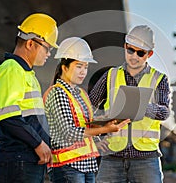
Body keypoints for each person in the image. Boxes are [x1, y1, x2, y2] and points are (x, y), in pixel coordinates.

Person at [89, 25, 171, 183]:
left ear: (149, 54)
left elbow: (164, 112)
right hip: (112, 158)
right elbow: (87, 107)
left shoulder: (159, 79)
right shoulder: (110, 76)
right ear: (124, 46)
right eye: (130, 50)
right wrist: (96, 139)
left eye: (140, 53)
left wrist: (141, 107)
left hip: (146, 159)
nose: (134, 56)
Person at [43, 37, 130, 183]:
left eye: (86, 67)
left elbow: (86, 124)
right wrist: (103, 130)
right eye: (79, 66)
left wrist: (97, 138)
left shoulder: (81, 94)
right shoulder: (57, 92)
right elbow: (69, 132)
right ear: (64, 67)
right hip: (67, 166)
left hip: (87, 164)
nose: (83, 72)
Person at [0, 13, 59, 183]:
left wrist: (48, 144)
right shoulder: (12, 70)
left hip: (28, 159)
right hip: (18, 160)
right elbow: (9, 117)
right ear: (30, 43)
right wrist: (39, 144)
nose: (49, 53)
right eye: (47, 48)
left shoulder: (27, 74)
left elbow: (33, 120)